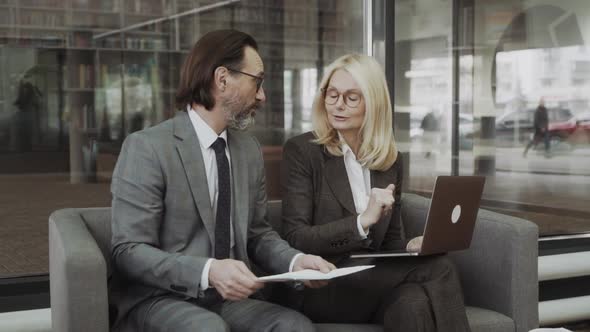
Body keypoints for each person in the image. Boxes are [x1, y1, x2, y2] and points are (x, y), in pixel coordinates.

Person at [109, 29, 335, 332]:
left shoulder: (248, 150)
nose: (262, 95)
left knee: (295, 326)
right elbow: (129, 251)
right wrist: (208, 271)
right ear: (222, 79)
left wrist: (296, 262)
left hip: (228, 300)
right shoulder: (148, 147)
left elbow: (258, 235)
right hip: (161, 297)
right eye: (257, 81)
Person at [281, 54, 471, 332]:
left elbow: (391, 242)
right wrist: (362, 222)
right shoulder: (303, 151)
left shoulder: (390, 160)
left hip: (371, 283)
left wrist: (410, 248)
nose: (338, 105)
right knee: (440, 268)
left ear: (373, 103)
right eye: (332, 95)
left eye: (351, 97)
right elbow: (296, 236)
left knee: (412, 303)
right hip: (323, 282)